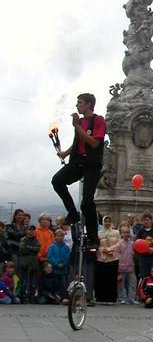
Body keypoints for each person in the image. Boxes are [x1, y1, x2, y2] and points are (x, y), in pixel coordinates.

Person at [51, 93, 106, 247]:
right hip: (77, 160)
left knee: (87, 202)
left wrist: (77, 126)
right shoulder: (80, 122)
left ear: (89, 104)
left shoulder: (98, 120)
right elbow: (78, 141)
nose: (77, 105)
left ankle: (93, 238)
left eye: (80, 102)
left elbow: (94, 143)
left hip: (92, 164)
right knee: (57, 181)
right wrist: (65, 153)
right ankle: (73, 214)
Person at [95, 216, 120, 304]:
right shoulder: (98, 233)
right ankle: (101, 298)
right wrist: (103, 250)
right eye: (106, 221)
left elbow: (118, 243)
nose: (107, 223)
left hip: (113, 257)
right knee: (102, 279)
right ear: (103, 222)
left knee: (112, 279)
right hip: (101, 258)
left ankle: (111, 299)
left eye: (109, 221)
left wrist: (110, 250)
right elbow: (97, 244)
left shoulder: (116, 232)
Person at [135, 212, 153, 277]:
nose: (145, 222)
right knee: (144, 276)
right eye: (144, 220)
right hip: (143, 258)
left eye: (147, 220)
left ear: (151, 220)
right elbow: (136, 243)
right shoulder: (140, 231)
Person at [18, 225, 41, 302]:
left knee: (33, 282)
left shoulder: (37, 240)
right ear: (26, 231)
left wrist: (28, 247)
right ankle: (23, 296)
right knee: (24, 281)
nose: (31, 232)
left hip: (34, 264)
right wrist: (32, 248)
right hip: (24, 263)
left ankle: (32, 296)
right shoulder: (23, 239)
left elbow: (37, 249)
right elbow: (22, 249)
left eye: (33, 230)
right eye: (30, 230)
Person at [47, 229, 71, 298]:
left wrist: (63, 264)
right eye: (58, 236)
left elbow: (68, 257)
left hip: (63, 270)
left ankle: (63, 296)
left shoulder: (66, 247)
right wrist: (56, 263)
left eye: (61, 236)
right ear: (55, 237)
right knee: (55, 283)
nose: (60, 237)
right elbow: (50, 257)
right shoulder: (51, 246)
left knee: (63, 284)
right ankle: (55, 296)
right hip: (55, 269)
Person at [116, 225, 136, 305]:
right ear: (121, 233)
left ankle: (131, 298)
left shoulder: (132, 243)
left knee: (132, 283)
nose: (126, 234)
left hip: (131, 267)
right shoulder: (119, 243)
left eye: (127, 232)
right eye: (124, 232)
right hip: (121, 267)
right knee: (121, 285)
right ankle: (122, 298)